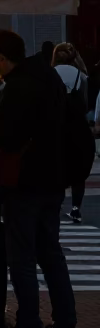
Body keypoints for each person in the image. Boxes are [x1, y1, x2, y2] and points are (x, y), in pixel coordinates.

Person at [0, 29, 77, 328]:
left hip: (25, 181)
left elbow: (10, 136)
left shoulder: (18, 86)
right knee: (50, 251)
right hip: (54, 178)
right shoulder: (49, 78)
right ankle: (65, 323)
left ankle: (29, 324)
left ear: (0, 58)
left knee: (21, 255)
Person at [52, 42, 94, 224]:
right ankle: (76, 208)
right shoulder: (82, 76)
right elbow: (86, 104)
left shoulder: (51, 74)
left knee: (58, 167)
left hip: (58, 126)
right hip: (78, 128)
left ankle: (56, 204)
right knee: (79, 170)